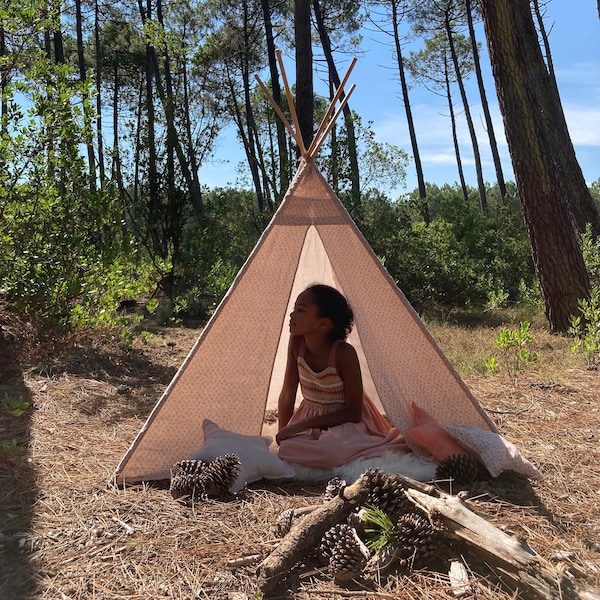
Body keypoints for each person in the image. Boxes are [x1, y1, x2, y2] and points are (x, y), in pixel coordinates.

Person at [276, 284, 409, 468]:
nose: (292, 315)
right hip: (311, 419)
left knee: (331, 452)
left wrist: (303, 424)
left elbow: (353, 413)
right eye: (294, 309)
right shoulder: (297, 343)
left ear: (323, 324)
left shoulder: (343, 353)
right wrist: (283, 434)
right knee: (287, 450)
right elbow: (287, 393)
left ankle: (367, 447)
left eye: (300, 310)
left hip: (345, 422)